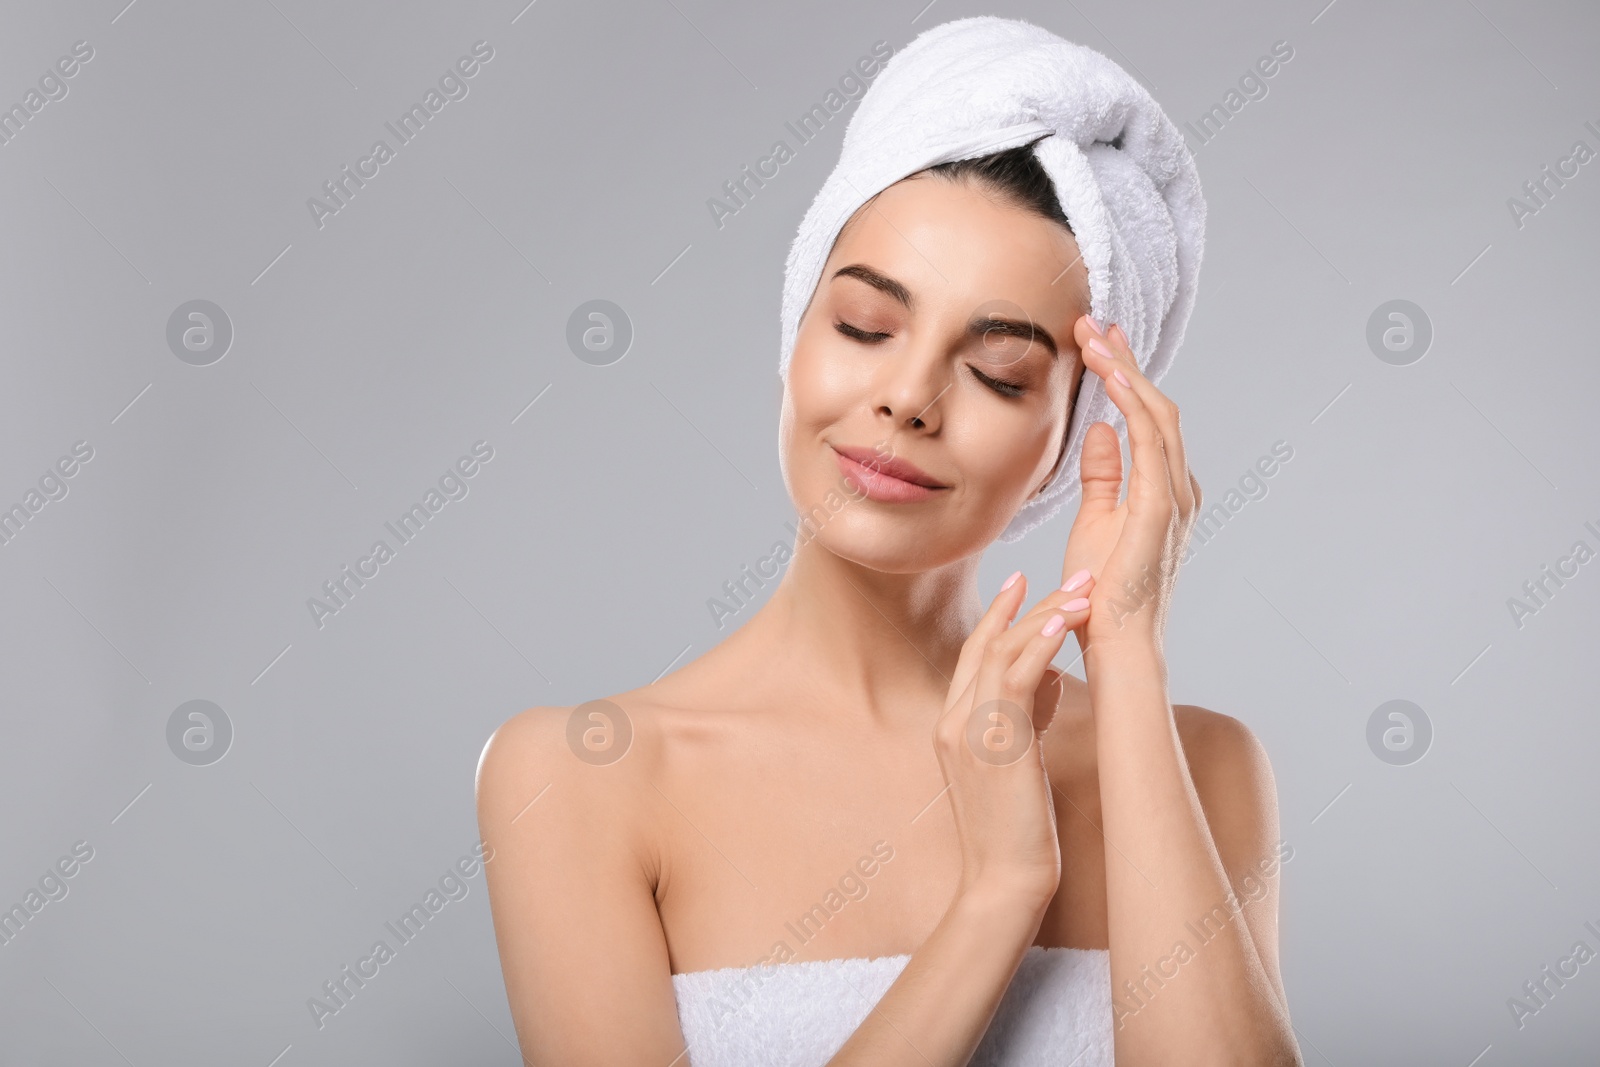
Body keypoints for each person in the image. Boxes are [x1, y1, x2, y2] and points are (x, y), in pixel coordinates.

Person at [478, 17, 1300, 1067]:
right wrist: (997, 893)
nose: (907, 398)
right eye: (865, 325)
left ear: (1071, 438)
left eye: (999, 373)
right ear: (795, 330)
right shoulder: (579, 776)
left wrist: (1126, 658)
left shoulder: (1205, 767)